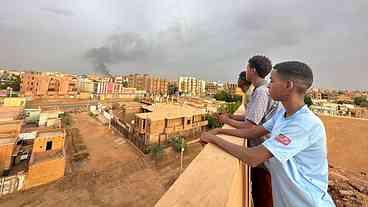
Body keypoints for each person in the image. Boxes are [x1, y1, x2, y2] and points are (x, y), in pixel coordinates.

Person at [200, 61, 335, 207]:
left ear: (288, 85)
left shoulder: (305, 124)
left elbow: (253, 157)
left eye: (272, 80)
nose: (268, 85)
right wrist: (220, 130)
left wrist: (213, 139)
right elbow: (252, 132)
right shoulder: (283, 114)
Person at [218, 55, 278, 206]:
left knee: (263, 199)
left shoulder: (261, 92)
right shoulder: (262, 89)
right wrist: (233, 117)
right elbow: (251, 117)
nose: (245, 71)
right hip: (262, 154)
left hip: (262, 158)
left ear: (253, 70)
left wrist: (226, 122)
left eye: (247, 68)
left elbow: (250, 126)